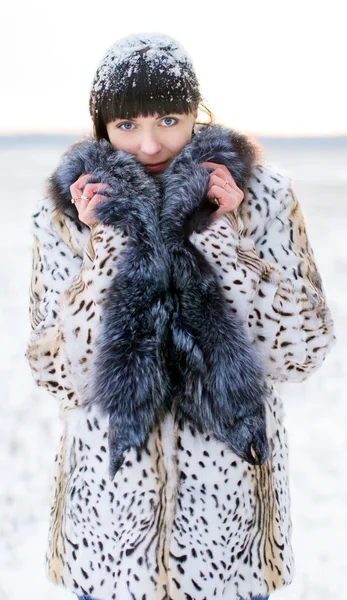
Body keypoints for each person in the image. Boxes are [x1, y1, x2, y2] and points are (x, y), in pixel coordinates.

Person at [25, 33, 335, 600]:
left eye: (168, 119)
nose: (148, 144)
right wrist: (107, 246)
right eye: (126, 126)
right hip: (111, 536)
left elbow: (302, 349)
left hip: (228, 536)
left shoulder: (261, 197)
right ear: (102, 129)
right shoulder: (68, 216)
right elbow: (57, 373)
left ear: (197, 112)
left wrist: (221, 238)